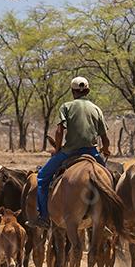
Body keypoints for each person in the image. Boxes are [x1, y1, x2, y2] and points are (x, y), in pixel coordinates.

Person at [35, 76, 110, 227]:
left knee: (42, 178)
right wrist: (106, 149)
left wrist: (56, 149)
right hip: (92, 152)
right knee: (110, 180)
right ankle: (109, 220)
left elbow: (59, 131)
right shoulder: (96, 109)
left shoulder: (66, 106)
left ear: (72, 91)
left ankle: (43, 217)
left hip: (70, 151)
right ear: (87, 91)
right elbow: (105, 137)